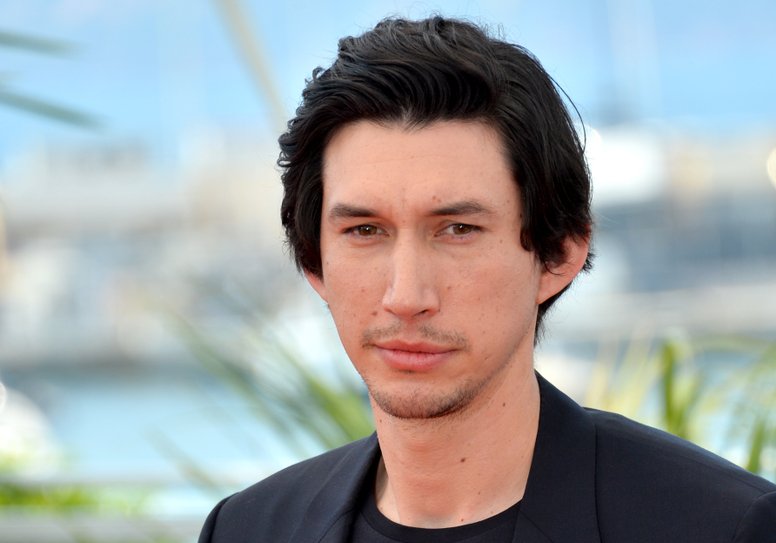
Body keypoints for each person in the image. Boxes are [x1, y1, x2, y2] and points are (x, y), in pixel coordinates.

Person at [199, 16, 776, 542]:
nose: (406, 297)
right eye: (365, 231)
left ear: (558, 255)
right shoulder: (247, 529)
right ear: (313, 262)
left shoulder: (722, 526)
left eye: (458, 230)